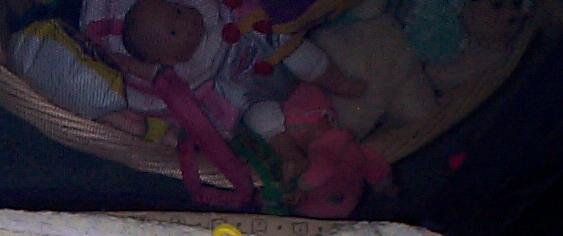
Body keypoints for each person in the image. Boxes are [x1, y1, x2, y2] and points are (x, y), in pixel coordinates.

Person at [90, 0, 367, 180]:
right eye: (174, 33)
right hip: (248, 92)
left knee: (298, 51)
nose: (185, 22)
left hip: (266, 49)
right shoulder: (182, 72)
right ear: (165, 58)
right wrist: (127, 64)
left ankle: (337, 82)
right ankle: (289, 154)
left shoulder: (213, 16)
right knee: (260, 119)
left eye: (178, 11)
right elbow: (154, 78)